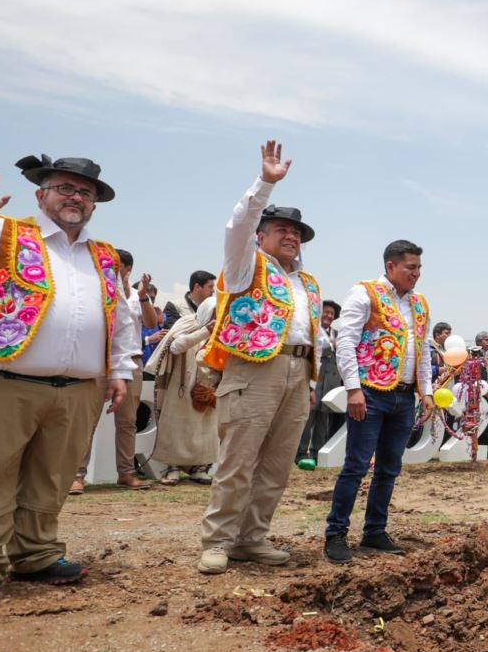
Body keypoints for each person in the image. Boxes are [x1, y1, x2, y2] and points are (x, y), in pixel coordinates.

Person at [0, 155, 136, 604]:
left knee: (52, 477)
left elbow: (120, 316)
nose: (75, 197)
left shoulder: (104, 255)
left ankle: (35, 553)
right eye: (65, 188)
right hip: (2, 379)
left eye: (86, 192)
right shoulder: (3, 232)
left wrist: (120, 369)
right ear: (42, 195)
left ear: (94, 204)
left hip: (76, 388)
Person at [196, 141, 321, 574]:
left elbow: (309, 334)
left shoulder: (306, 282)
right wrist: (265, 183)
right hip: (254, 369)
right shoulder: (245, 265)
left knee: (275, 464)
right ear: (261, 236)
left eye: (297, 233)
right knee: (238, 460)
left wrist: (307, 380)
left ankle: (252, 538)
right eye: (281, 229)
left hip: (297, 370)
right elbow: (238, 224)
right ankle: (218, 540)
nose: (291, 236)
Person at [324, 239, 432, 564]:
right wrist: (353, 389)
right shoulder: (365, 293)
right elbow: (347, 341)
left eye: (419, 268)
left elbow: (422, 349)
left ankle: (374, 531)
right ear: (391, 266)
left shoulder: (419, 304)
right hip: (370, 391)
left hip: (403, 395)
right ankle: (335, 534)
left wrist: (425, 391)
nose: (416, 274)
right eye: (410, 267)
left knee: (389, 468)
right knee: (356, 465)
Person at [71, 250, 157, 494]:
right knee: (87, 420)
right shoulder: (95, 292)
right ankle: (77, 475)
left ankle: (126, 472)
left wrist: (142, 297)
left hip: (131, 362)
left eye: (116, 266)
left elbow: (151, 324)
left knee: (128, 421)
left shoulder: (137, 297)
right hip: (98, 362)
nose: (110, 270)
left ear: (127, 269)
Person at [145, 293, 219, 484]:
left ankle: (200, 468)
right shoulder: (187, 322)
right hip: (180, 384)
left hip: (208, 384)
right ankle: (172, 468)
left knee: (206, 428)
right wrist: (205, 331)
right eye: (215, 312)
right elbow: (175, 347)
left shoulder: (225, 328)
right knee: (175, 426)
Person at [295, 299, 343, 468]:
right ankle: (300, 453)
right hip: (314, 380)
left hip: (331, 384)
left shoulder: (338, 335)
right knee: (307, 418)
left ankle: (317, 453)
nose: (328, 315)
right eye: (326, 311)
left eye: (332, 313)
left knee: (324, 420)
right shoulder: (312, 331)